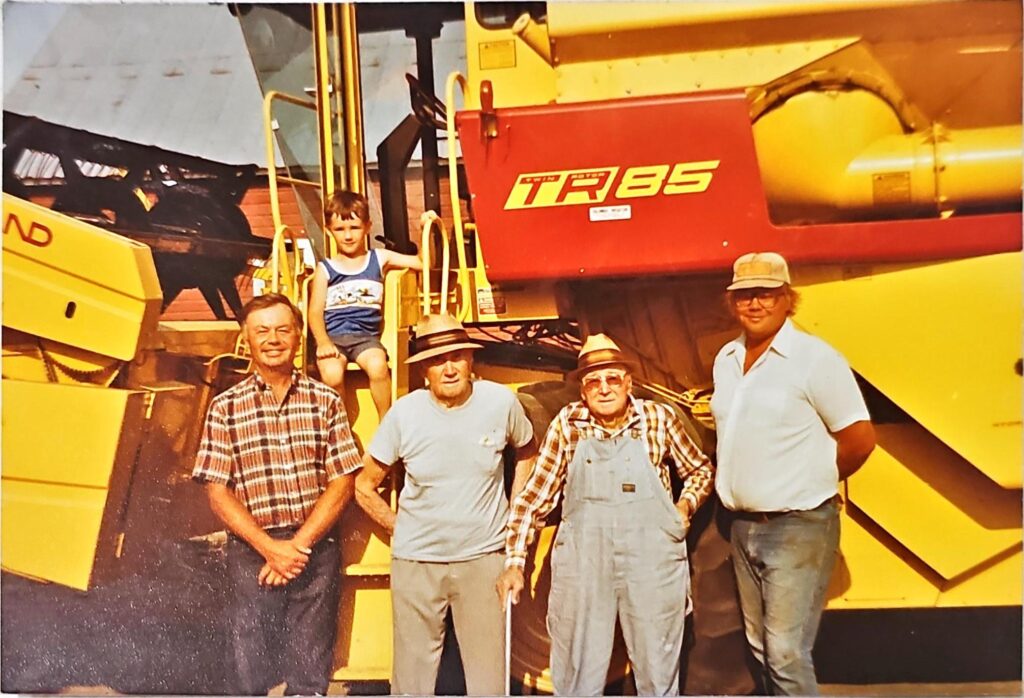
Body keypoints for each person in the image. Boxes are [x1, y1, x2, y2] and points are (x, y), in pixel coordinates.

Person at [498, 334, 715, 696]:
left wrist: (683, 508)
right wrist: (515, 563)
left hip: (651, 561)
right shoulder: (568, 424)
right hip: (586, 562)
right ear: (583, 390)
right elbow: (533, 499)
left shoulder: (658, 418)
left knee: (658, 671)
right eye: (593, 381)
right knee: (579, 671)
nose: (604, 388)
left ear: (628, 383)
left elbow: (700, 470)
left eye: (612, 378)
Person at [711, 252, 876, 696]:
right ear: (733, 303)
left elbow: (859, 439)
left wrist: (810, 481)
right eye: (744, 295)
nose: (755, 303)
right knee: (760, 647)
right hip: (742, 528)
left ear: (788, 299)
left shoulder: (815, 359)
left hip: (798, 526)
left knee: (785, 651)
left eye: (766, 293)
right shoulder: (726, 358)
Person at [354, 313, 537, 696]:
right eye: (437, 360)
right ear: (424, 371)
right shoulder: (404, 414)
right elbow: (365, 486)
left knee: (489, 681)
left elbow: (527, 453)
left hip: (484, 559)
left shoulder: (501, 403)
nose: (449, 367)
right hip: (417, 564)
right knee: (412, 681)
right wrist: (400, 526)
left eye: (456, 357)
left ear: (471, 361)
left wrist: (515, 511)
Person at [192, 293, 362, 696]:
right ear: (246, 340)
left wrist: (296, 547)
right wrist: (270, 547)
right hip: (253, 549)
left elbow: (343, 481)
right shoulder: (225, 407)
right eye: (261, 331)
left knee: (310, 665)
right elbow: (217, 491)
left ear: (298, 335)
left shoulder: (325, 400)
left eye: (283, 329)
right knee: (250, 664)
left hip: (314, 548)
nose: (273, 339)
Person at [309, 190, 422, 417]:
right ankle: (339, 426)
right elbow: (314, 312)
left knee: (378, 366)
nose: (348, 236)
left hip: (366, 339)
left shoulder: (379, 259)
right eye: (340, 229)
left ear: (368, 227)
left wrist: (423, 231)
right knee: (331, 373)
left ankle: (386, 423)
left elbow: (422, 262)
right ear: (329, 231)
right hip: (334, 340)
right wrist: (322, 342)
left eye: (355, 228)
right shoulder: (326, 269)